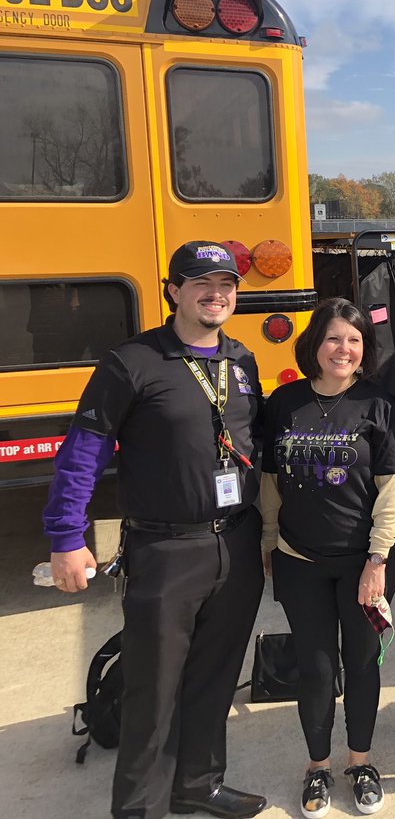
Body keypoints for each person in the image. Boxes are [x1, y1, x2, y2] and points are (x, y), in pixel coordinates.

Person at [42, 241, 267, 819]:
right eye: (202, 283)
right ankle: (138, 807)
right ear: (173, 290)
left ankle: (198, 785)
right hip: (166, 548)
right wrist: (68, 536)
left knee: (215, 678)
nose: (217, 294)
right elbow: (84, 451)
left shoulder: (242, 361)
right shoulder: (132, 362)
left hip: (235, 542)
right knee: (153, 689)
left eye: (227, 284)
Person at [259, 297, 395, 817]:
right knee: (317, 669)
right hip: (299, 560)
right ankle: (317, 767)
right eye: (333, 338)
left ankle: (360, 762)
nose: (343, 349)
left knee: (362, 665)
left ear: (365, 349)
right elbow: (271, 481)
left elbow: (392, 487)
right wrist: (269, 543)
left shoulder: (379, 404)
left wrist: (378, 559)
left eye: (355, 340)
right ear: (314, 345)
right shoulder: (284, 401)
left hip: (364, 565)